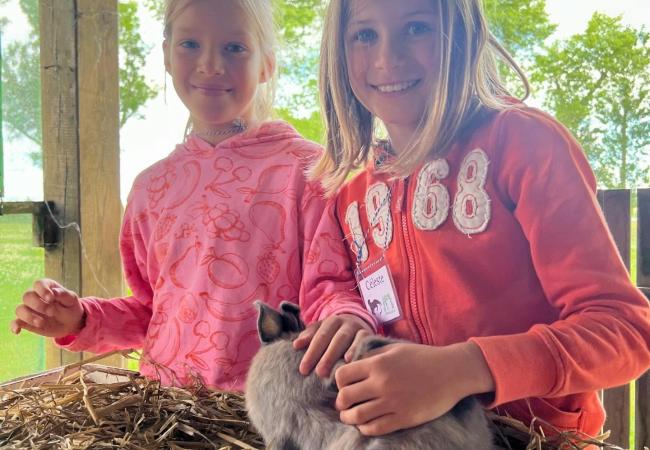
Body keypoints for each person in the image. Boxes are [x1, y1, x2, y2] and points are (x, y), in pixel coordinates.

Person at [304, 0, 650, 442]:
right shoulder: (349, 197)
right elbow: (329, 285)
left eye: (416, 28)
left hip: (535, 437)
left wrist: (462, 370)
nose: (387, 58)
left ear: (461, 36)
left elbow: (624, 329)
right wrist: (348, 316)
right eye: (365, 35)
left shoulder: (525, 143)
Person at [11, 0, 376, 391]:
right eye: (189, 44)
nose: (211, 64)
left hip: (265, 410)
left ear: (267, 64)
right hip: (165, 411)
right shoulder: (151, 188)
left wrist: (348, 320)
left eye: (235, 48)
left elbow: (332, 289)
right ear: (166, 54)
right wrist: (81, 318)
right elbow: (153, 312)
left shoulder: (309, 170)